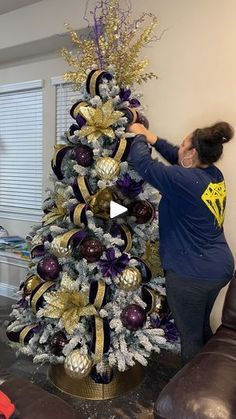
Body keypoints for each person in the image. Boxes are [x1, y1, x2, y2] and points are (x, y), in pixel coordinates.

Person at [128, 121, 235, 364]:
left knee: (191, 340)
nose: (179, 148)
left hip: (191, 274)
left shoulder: (183, 181)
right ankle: (211, 382)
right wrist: (152, 137)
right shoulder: (211, 175)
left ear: (193, 153)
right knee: (201, 328)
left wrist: (138, 136)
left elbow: (144, 164)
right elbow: (175, 156)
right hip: (218, 268)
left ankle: (189, 396)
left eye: (184, 144)